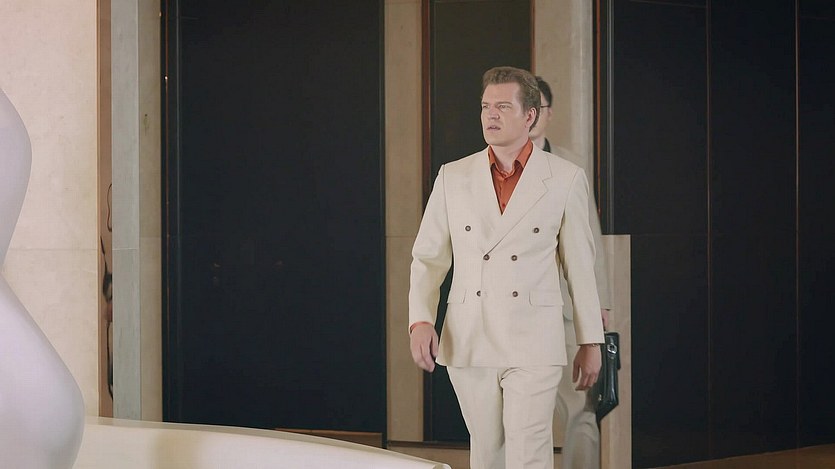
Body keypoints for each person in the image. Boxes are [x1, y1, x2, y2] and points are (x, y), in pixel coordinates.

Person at [408, 66, 605, 469]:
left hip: (534, 337)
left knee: (529, 449)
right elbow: (428, 258)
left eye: (502, 106)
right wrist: (420, 320)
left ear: (530, 115)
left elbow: (580, 267)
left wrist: (590, 341)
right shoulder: (453, 176)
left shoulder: (565, 178)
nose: (491, 115)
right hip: (469, 335)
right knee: (487, 451)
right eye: (485, 107)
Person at [530, 76, 613, 469]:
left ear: (548, 114)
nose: (531, 116)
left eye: (539, 108)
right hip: (514, 312)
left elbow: (589, 238)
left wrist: (600, 304)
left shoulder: (570, 165)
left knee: (581, 408)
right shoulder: (487, 167)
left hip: (565, 310)